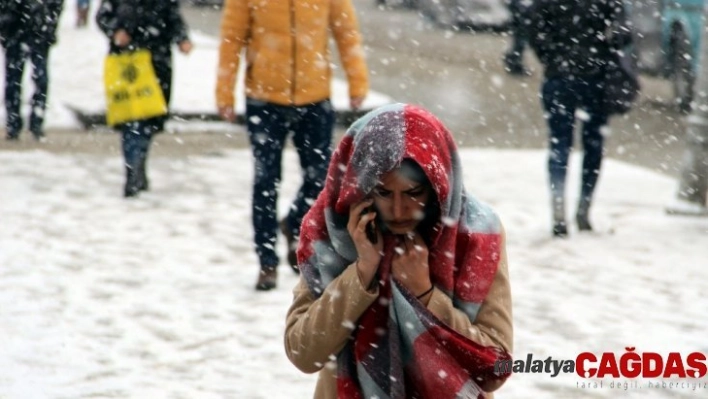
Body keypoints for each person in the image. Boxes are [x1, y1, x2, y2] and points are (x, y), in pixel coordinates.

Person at [284, 103, 513, 398]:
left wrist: (426, 296)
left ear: (438, 186)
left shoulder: (475, 234)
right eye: (383, 192)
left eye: (413, 193)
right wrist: (362, 272)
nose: (398, 209)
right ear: (362, 187)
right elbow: (303, 353)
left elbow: (495, 366)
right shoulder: (335, 229)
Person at [215, 0, 369, 290]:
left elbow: (346, 32)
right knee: (265, 181)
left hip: (314, 98)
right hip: (263, 99)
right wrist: (224, 92)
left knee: (322, 177)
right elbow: (232, 39)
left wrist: (357, 81)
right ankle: (266, 261)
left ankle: (295, 220)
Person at [527, 0, 632, 237]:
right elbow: (623, 33)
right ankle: (583, 209)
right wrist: (602, 47)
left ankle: (558, 209)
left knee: (559, 144)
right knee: (593, 145)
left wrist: (552, 56)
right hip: (596, 77)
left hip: (559, 76)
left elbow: (533, 26)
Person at [96, 0, 193, 198]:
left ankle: (138, 163)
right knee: (130, 119)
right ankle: (133, 169)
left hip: (157, 61)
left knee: (150, 118)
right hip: (127, 62)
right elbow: (103, 16)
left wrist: (182, 38)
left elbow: (173, 16)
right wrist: (116, 31)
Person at [0, 0, 64, 141]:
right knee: (13, 81)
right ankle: (13, 123)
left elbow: (56, 5)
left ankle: (36, 122)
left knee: (40, 80)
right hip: (15, 31)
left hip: (39, 32)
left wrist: (49, 24)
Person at [502, 0, 531, 77]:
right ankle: (513, 61)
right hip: (520, 13)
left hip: (520, 12)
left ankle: (513, 60)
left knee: (520, 40)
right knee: (520, 40)